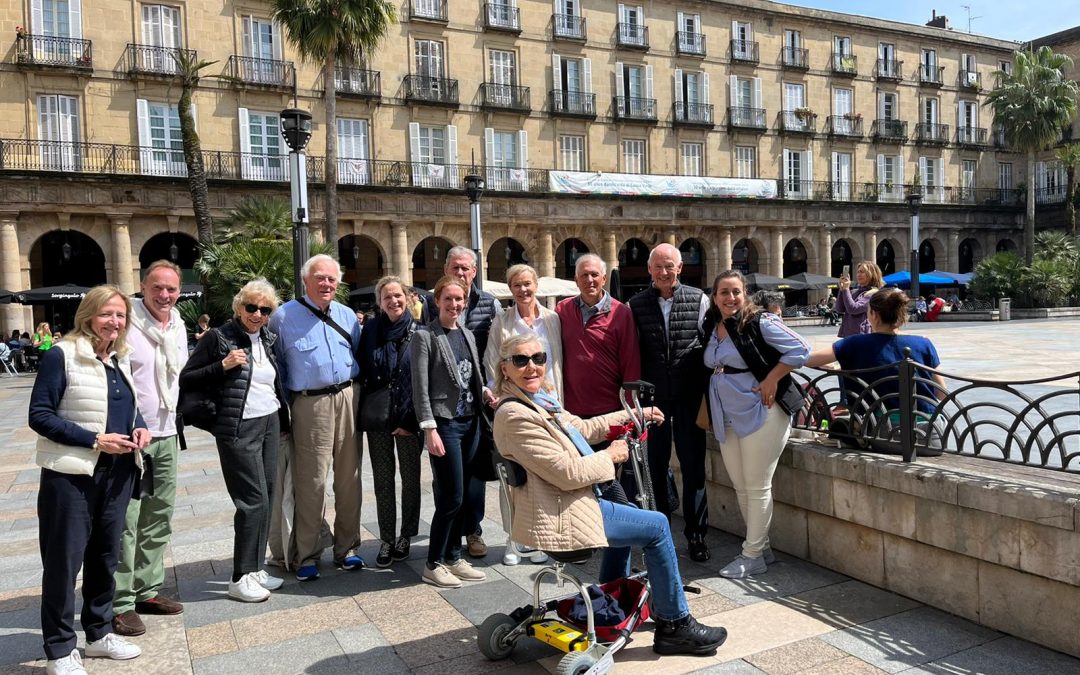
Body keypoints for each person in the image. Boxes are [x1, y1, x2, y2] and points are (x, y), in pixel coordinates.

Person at [492, 333, 728, 656]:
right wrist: (611, 456)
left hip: (565, 502)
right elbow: (568, 473)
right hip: (562, 513)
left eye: (539, 358)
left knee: (629, 511)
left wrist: (633, 414)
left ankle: (609, 600)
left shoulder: (538, 401)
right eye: (521, 360)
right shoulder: (515, 415)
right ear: (504, 368)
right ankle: (676, 625)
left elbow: (581, 429)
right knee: (657, 526)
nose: (532, 366)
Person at [29, 285, 151, 675]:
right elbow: (40, 415)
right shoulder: (61, 355)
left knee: (105, 557)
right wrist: (94, 439)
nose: (114, 322)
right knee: (64, 563)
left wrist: (141, 428)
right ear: (88, 316)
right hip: (72, 476)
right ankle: (60, 649)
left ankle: (98, 634)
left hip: (117, 474)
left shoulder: (120, 358)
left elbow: (128, 409)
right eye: (107, 314)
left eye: (120, 316)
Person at [179, 279, 290, 602]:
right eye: (251, 307)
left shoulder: (267, 338)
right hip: (238, 427)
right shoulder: (218, 338)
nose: (257, 314)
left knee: (267, 496)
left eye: (264, 309)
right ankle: (239, 576)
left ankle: (255, 568)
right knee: (251, 501)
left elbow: (271, 382)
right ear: (238, 307)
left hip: (268, 420)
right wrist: (221, 366)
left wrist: (282, 420)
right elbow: (187, 379)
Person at [704, 270, 810, 579]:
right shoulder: (714, 326)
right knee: (740, 485)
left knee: (757, 485)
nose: (730, 297)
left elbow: (800, 349)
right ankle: (761, 548)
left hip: (763, 411)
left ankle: (751, 556)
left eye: (736, 291)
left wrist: (771, 379)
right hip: (729, 413)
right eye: (724, 292)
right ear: (715, 297)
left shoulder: (760, 321)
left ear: (745, 294)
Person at [270, 254, 364, 581]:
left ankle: (348, 548)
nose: (326, 284)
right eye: (319, 278)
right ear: (306, 281)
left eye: (331, 279)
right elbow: (275, 365)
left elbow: (359, 354)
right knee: (312, 482)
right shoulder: (283, 317)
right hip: (309, 404)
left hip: (349, 396)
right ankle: (306, 553)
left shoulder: (348, 315)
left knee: (350, 478)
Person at [112, 260, 188, 637]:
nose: (165, 295)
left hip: (167, 433)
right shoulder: (125, 321)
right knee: (126, 521)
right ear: (142, 286)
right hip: (131, 437)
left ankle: (147, 589)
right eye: (157, 288)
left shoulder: (178, 324)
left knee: (159, 516)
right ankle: (120, 601)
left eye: (171, 289)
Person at [628, 243, 712, 562]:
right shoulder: (635, 305)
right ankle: (660, 536)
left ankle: (697, 535)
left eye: (669, 266)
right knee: (655, 468)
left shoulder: (699, 299)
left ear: (680, 268)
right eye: (658, 267)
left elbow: (710, 343)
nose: (664, 272)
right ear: (650, 270)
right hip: (654, 400)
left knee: (694, 469)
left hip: (690, 396)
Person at [411, 275, 493, 588]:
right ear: (437, 301)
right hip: (444, 425)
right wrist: (429, 429)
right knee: (451, 496)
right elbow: (421, 389)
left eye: (460, 300)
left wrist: (485, 392)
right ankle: (433, 562)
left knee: (464, 496)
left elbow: (472, 375)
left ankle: (454, 556)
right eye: (449, 299)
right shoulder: (426, 336)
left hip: (471, 422)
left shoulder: (468, 335)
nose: (455, 305)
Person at [424, 246, 502, 559]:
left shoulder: (490, 304)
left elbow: (497, 348)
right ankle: (449, 536)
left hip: (477, 403)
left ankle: (473, 529)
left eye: (467, 268)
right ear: (445, 268)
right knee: (448, 478)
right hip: (444, 408)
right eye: (455, 267)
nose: (461, 273)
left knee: (475, 473)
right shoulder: (430, 305)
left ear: (475, 271)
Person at [484, 263, 563, 565]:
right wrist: (496, 396)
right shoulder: (501, 322)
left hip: (550, 405)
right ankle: (512, 539)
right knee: (512, 476)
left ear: (536, 285)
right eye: (517, 285)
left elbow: (559, 363)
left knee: (544, 475)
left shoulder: (553, 319)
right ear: (510, 289)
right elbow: (493, 363)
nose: (523, 289)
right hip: (515, 407)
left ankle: (540, 539)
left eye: (528, 283)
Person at [806, 290, 946, 453]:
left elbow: (807, 359)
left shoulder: (853, 344)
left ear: (873, 314)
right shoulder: (923, 344)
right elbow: (941, 393)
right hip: (932, 437)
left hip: (886, 435)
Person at [357, 276, 422, 569]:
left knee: (410, 480)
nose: (393, 301)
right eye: (387, 298)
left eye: (398, 296)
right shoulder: (370, 329)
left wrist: (412, 417)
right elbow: (361, 366)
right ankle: (386, 538)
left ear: (407, 298)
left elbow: (425, 378)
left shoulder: (421, 330)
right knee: (383, 481)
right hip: (380, 415)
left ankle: (406, 534)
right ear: (380, 303)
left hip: (410, 416)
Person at [556, 254, 640, 422]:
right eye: (584, 275)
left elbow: (631, 362)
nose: (589, 280)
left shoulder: (621, 313)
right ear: (576, 280)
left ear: (604, 278)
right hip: (571, 411)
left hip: (609, 409)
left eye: (594, 274)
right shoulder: (562, 310)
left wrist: (631, 410)